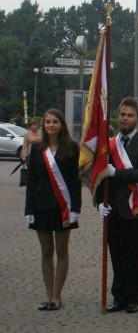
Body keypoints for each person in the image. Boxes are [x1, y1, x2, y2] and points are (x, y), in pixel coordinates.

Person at [97, 97, 138, 314]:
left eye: (129, 115)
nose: (125, 118)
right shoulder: (109, 145)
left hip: (136, 208)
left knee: (134, 255)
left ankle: (134, 297)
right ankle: (119, 296)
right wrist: (98, 203)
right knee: (117, 254)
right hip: (113, 209)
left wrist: (117, 173)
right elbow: (100, 177)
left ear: (137, 119)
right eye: (122, 114)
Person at [24, 109, 82, 311]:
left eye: (55, 121)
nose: (51, 125)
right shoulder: (38, 148)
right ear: (43, 125)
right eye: (47, 121)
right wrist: (28, 209)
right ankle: (48, 295)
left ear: (61, 125)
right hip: (41, 206)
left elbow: (75, 182)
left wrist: (76, 208)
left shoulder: (72, 148)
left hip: (63, 207)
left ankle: (57, 296)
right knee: (46, 251)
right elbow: (31, 180)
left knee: (61, 250)